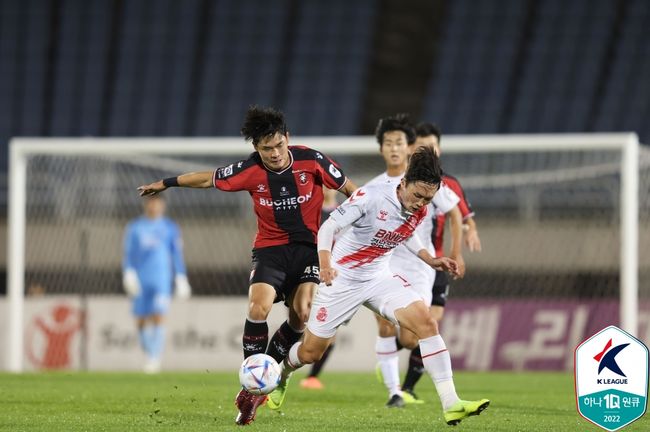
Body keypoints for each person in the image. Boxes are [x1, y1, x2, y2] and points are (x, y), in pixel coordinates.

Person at [137, 106, 358, 425]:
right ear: (256, 148)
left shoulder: (312, 159)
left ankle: (261, 383)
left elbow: (351, 190)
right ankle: (253, 386)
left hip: (309, 249)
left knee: (302, 313)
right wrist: (167, 182)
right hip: (270, 249)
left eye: (279, 145)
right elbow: (207, 179)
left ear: (288, 138)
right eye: (267, 148)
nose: (275, 153)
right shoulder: (250, 170)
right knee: (258, 308)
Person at [268, 146, 490, 426]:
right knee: (311, 353)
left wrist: (429, 259)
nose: (421, 203)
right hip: (342, 279)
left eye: (427, 199)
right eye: (418, 195)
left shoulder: (421, 205)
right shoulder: (371, 196)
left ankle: (451, 403)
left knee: (427, 324)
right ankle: (281, 376)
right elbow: (328, 229)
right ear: (404, 182)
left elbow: (405, 233)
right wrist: (325, 263)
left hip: (379, 277)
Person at [364, 115, 465, 407]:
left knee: (410, 338)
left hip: (421, 266)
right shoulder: (374, 186)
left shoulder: (426, 180)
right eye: (388, 143)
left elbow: (455, 212)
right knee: (384, 326)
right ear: (381, 149)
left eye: (400, 143)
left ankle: (387, 360)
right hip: (384, 262)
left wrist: (456, 252)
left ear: (409, 147)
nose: (394, 149)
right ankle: (395, 393)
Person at [400, 122, 482, 399]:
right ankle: (387, 354)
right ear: (413, 149)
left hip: (438, 263)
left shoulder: (450, 184)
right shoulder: (405, 182)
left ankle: (407, 388)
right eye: (424, 147)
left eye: (433, 146)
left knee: (431, 325)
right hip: (410, 264)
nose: (430, 150)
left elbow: (464, 216)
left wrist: (464, 244)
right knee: (408, 337)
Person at [122, 194, 192, 373]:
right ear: (146, 205)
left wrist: (181, 277)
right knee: (140, 320)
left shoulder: (169, 227)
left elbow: (176, 253)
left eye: (157, 203)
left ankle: (154, 358)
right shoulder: (136, 227)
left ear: (162, 206)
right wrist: (129, 273)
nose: (154, 206)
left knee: (159, 315)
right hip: (141, 278)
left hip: (162, 278)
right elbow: (129, 253)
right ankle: (150, 352)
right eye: (151, 203)